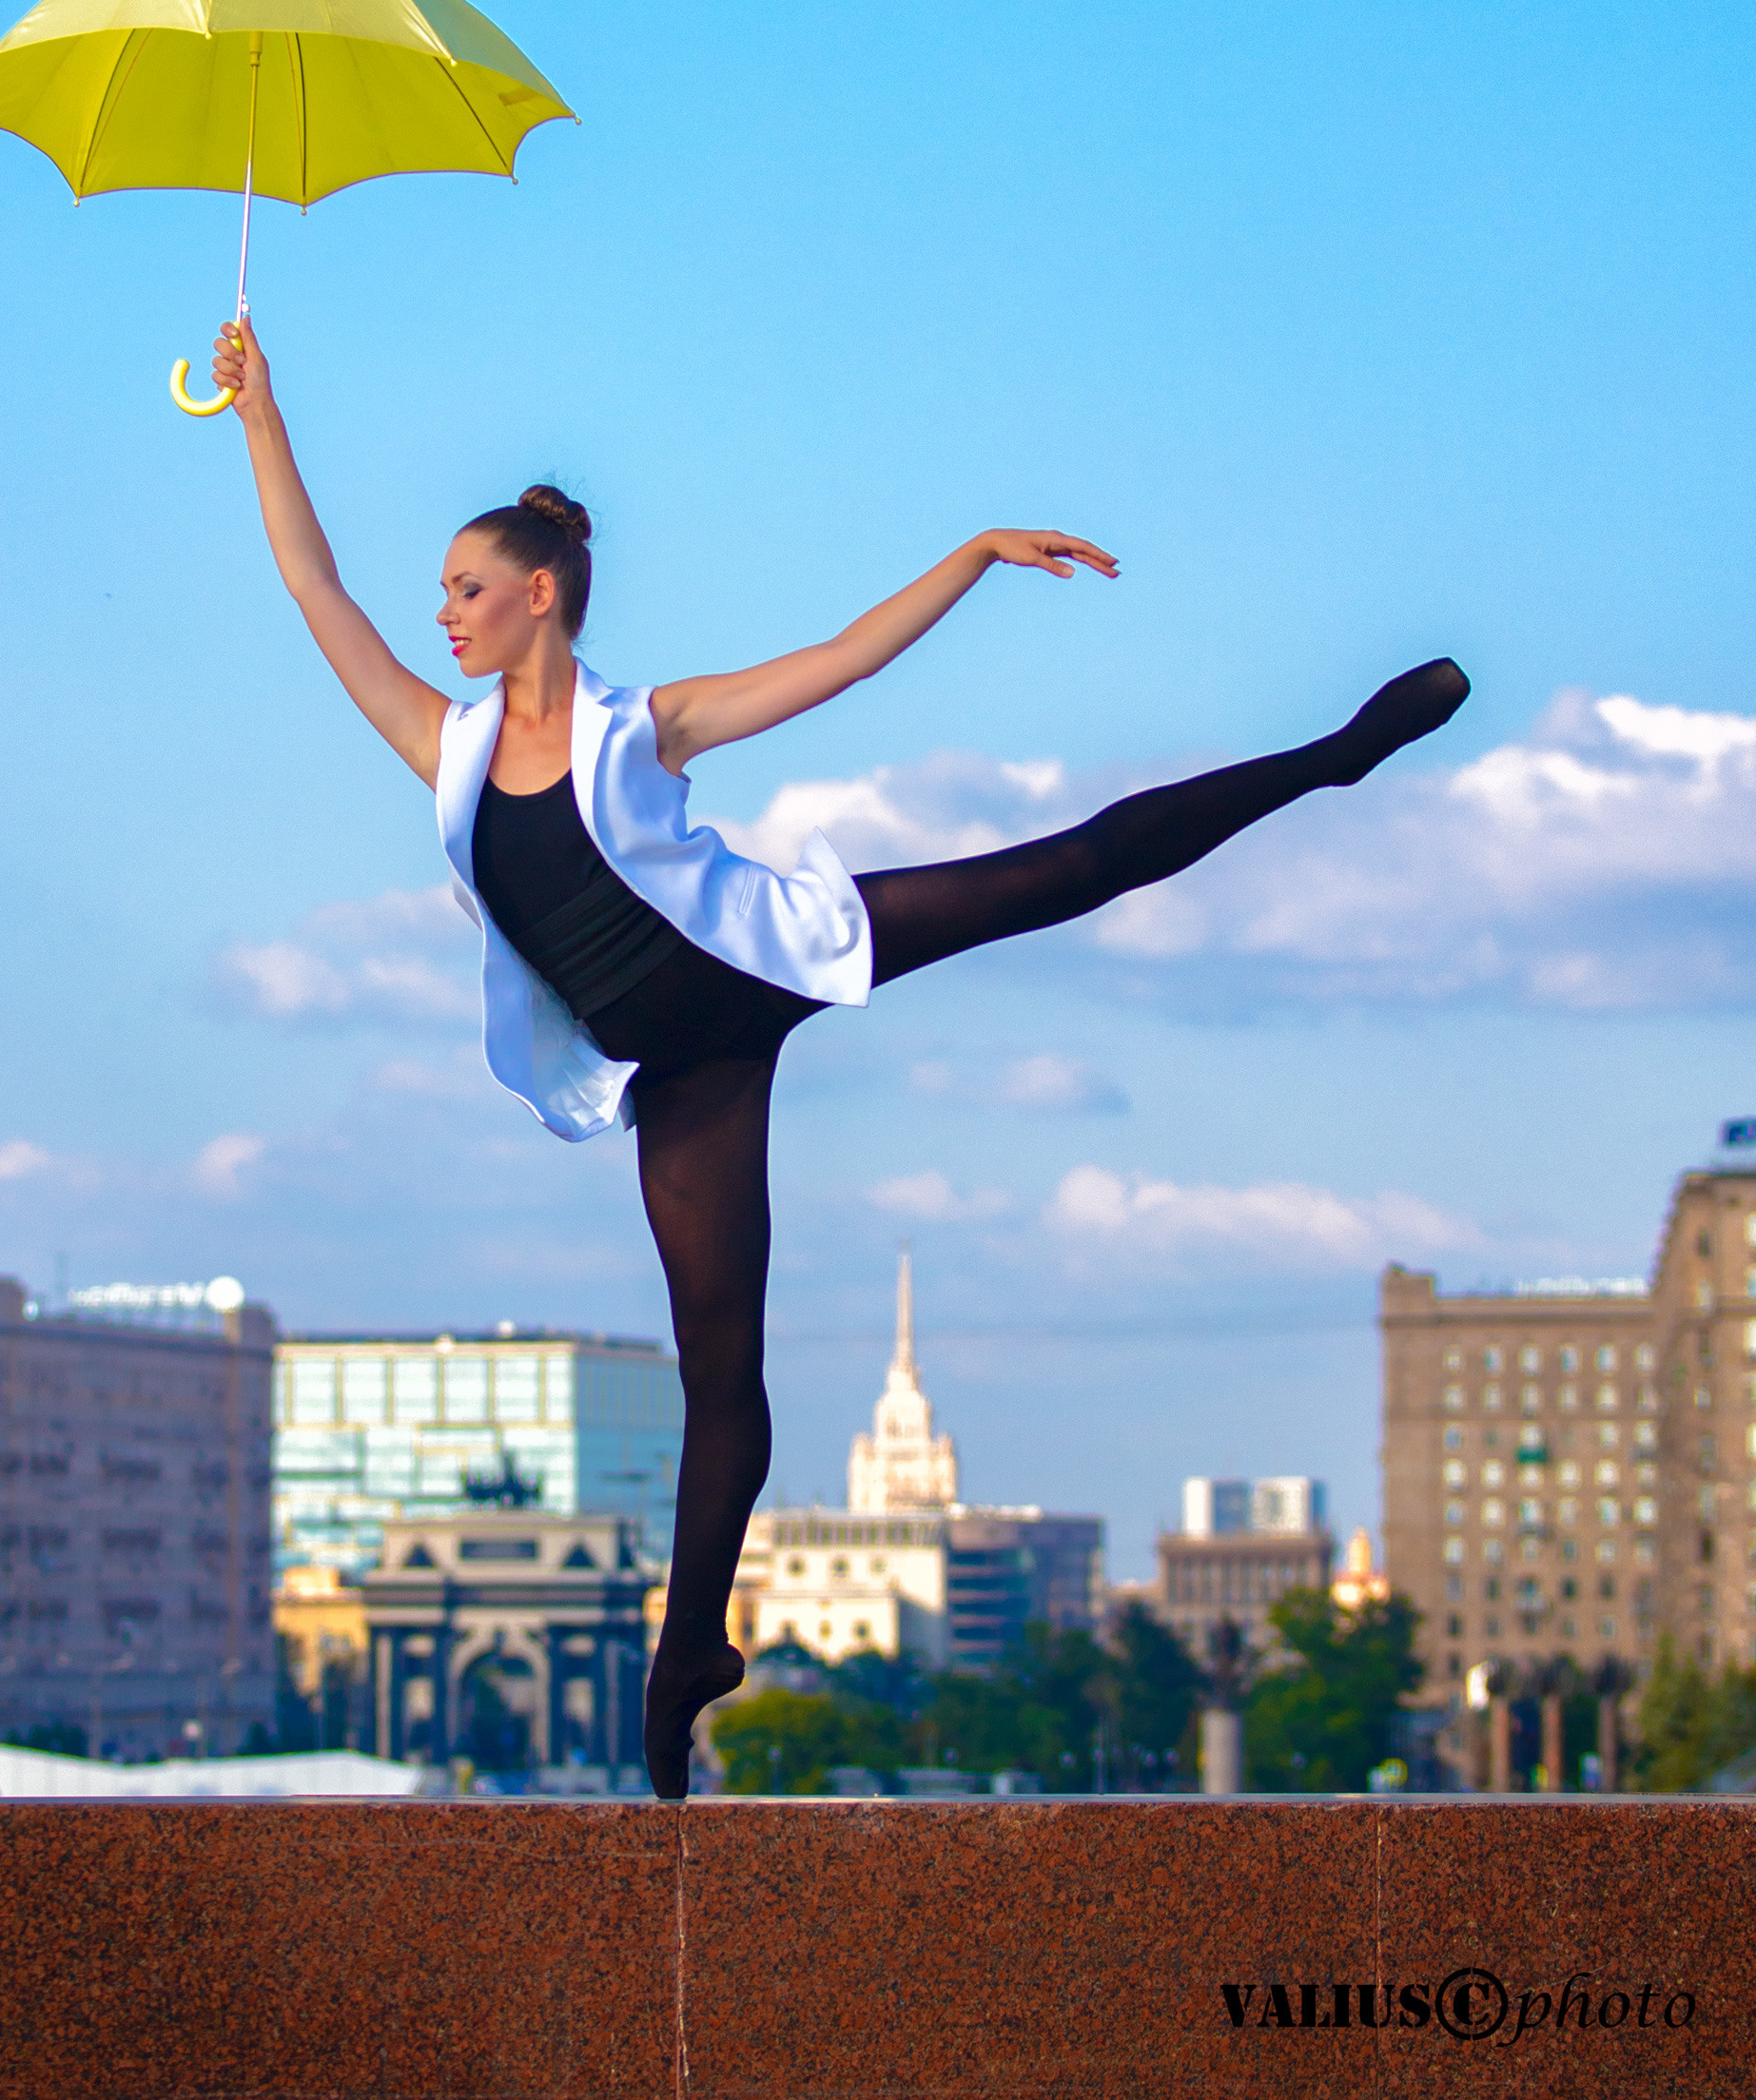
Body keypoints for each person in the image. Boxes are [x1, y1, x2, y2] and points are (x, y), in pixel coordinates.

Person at [211, 315, 1468, 1799]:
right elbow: (314, 584)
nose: (444, 615)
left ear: (538, 596)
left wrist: (973, 553)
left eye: (467, 589)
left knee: (1062, 869)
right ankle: (691, 1654)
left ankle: (1334, 753)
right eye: (442, 595)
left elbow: (844, 664)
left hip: (762, 963)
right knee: (716, 1373)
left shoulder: (645, 726)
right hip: (676, 1076)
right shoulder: (449, 748)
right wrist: (259, 413)